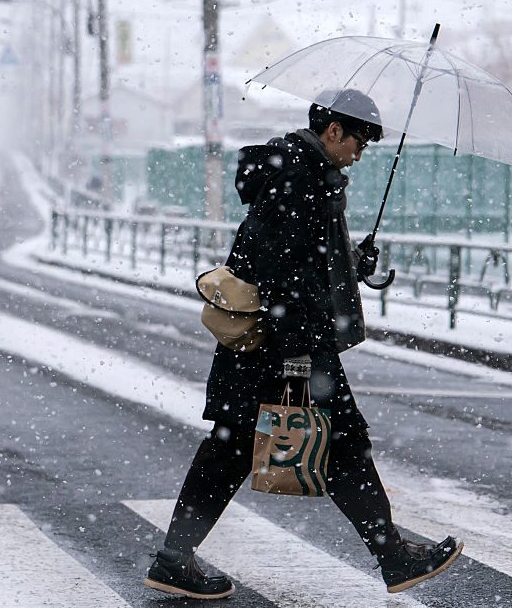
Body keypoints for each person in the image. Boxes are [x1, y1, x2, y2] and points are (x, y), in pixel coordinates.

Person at [144, 89, 464, 599]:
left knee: (232, 449)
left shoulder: (302, 172)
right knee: (340, 445)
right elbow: (279, 269)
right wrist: (298, 355)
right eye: (359, 141)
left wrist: (350, 263)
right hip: (287, 345)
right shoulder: (298, 175)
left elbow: (298, 259)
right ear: (333, 131)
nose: (360, 153)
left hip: (272, 343)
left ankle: (173, 559)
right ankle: (393, 556)